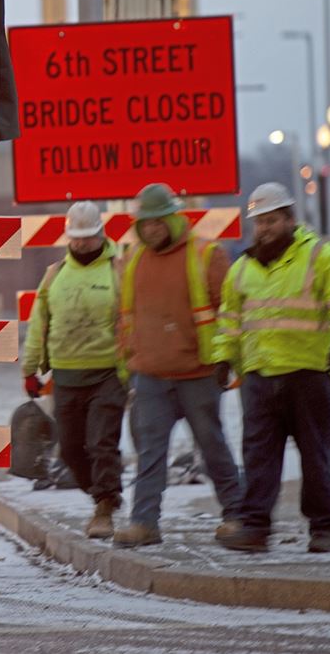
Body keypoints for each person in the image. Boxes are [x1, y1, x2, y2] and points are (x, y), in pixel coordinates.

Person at [213, 182, 330, 553]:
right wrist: (223, 358)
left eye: (272, 220)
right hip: (259, 377)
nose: (265, 228)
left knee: (315, 456)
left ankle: (323, 529)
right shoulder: (242, 268)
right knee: (258, 457)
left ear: (290, 219)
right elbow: (229, 319)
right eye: (259, 222)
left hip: (308, 373)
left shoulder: (320, 256)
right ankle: (255, 528)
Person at [112, 183, 244, 548]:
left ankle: (237, 514)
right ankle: (144, 523)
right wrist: (128, 365)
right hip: (151, 373)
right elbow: (124, 317)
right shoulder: (133, 259)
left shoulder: (206, 255)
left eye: (157, 222)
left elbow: (230, 310)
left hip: (197, 373)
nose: (151, 229)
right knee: (150, 453)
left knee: (212, 445)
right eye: (145, 223)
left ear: (173, 218)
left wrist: (225, 358)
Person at [21, 201, 126, 539]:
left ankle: (105, 506)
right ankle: (101, 493)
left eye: (88, 237)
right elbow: (40, 324)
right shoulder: (55, 275)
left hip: (107, 373)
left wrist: (131, 368)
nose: (82, 244)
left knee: (102, 443)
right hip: (65, 374)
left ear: (101, 234)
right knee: (69, 448)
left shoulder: (118, 271)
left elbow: (130, 323)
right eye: (77, 238)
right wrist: (30, 368)